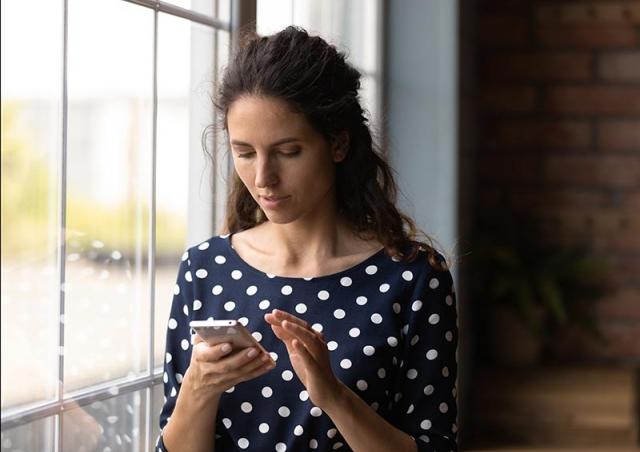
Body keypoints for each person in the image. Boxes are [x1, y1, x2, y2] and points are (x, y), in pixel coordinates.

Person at [157, 26, 458, 452]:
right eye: (245, 153)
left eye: (288, 151)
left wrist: (333, 396)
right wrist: (198, 390)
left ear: (337, 143)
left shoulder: (412, 279)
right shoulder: (204, 269)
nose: (263, 179)